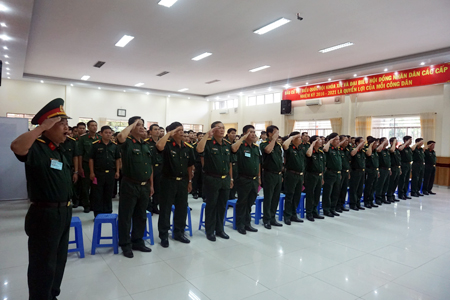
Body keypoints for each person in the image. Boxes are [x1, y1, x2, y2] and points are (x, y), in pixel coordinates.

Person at [11, 98, 72, 299]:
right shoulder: (37, 147)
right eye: (62, 124)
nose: (67, 128)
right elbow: (17, 147)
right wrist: (40, 128)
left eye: (66, 124)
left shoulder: (58, 150)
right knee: (42, 263)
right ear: (48, 125)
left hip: (63, 212)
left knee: (59, 259)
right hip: (44, 215)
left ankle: (52, 294)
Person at [116, 116, 154, 258]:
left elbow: (149, 167)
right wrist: (132, 125)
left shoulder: (145, 145)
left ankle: (138, 241)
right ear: (132, 127)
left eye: (143, 125)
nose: (142, 127)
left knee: (141, 215)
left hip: (144, 186)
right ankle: (125, 244)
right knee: (126, 216)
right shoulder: (128, 143)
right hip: (130, 184)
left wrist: (151, 185)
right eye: (138, 125)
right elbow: (120, 136)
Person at [156, 122, 195, 248]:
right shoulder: (166, 145)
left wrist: (189, 181)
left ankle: (179, 232)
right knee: (165, 209)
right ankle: (163, 235)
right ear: (172, 132)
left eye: (183, 130)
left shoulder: (187, 147)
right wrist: (169, 134)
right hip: (168, 181)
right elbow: (159, 146)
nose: (182, 132)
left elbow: (190, 166)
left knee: (181, 208)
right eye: (178, 130)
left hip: (183, 181)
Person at [196, 121, 233, 241]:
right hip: (212, 178)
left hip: (225, 179)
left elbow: (229, 163)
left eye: (223, 128)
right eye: (219, 128)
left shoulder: (227, 144)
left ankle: (220, 229)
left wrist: (231, 178)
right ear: (213, 130)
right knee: (211, 205)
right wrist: (207, 135)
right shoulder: (207, 143)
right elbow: (199, 150)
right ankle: (210, 230)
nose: (222, 130)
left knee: (222, 205)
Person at [231, 125, 260, 234]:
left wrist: (259, 178)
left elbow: (258, 163)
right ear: (244, 134)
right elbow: (233, 149)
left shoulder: (256, 147)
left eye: (254, 132)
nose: (253, 134)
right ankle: (240, 224)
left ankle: (247, 223)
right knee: (242, 202)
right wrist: (242, 138)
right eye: (250, 132)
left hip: (254, 180)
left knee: (250, 203)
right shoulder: (241, 146)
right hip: (243, 179)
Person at [89, 126, 121, 217]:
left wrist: (117, 171)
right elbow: (91, 159)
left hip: (111, 172)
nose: (108, 134)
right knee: (98, 193)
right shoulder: (95, 145)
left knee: (108, 193)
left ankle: (108, 212)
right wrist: (91, 172)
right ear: (101, 134)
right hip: (98, 173)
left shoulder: (114, 146)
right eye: (106, 132)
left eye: (110, 133)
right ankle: (98, 213)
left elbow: (117, 159)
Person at [260, 125, 283, 229]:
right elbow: (268, 151)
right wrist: (273, 140)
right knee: (268, 198)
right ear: (269, 133)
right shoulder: (264, 144)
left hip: (278, 175)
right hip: (269, 174)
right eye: (275, 132)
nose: (277, 135)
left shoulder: (278, 146)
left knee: (275, 197)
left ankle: (273, 218)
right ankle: (266, 219)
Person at [77, 120, 100, 212]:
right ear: (88, 127)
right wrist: (80, 167)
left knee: (96, 187)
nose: (94, 127)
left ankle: (93, 204)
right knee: (85, 186)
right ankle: (86, 205)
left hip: (97, 166)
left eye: (95, 125)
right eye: (92, 125)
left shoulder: (100, 138)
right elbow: (80, 154)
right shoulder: (83, 138)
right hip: (86, 165)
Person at [282, 131, 305, 224]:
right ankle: (287, 215)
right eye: (299, 137)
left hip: (299, 175)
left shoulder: (301, 149)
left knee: (297, 195)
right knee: (289, 195)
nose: (301, 139)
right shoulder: (289, 148)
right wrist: (291, 137)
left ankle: (294, 214)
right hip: (291, 174)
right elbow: (284, 145)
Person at [305, 135, 325, 221]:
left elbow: (323, 166)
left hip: (319, 176)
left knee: (317, 195)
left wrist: (322, 177)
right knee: (310, 195)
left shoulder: (320, 152)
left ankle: (315, 211)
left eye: (321, 140)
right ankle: (309, 213)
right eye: (318, 140)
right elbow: (308, 154)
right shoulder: (310, 151)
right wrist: (312, 144)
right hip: (311, 175)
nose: (321, 141)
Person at [322, 133, 342, 217]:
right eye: (337, 139)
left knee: (335, 192)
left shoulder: (337, 149)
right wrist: (330, 141)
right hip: (330, 173)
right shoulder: (329, 149)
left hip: (337, 173)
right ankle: (326, 209)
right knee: (328, 192)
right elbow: (325, 149)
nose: (338, 141)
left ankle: (332, 208)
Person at [145, 124, 164, 214]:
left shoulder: (163, 142)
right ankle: (148, 207)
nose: (157, 131)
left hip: (160, 168)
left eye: (159, 129)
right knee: (149, 188)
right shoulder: (146, 142)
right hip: (150, 167)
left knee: (158, 189)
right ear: (150, 131)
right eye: (155, 129)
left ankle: (155, 205)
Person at [61, 131, 80, 208]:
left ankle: (74, 201)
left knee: (72, 186)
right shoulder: (55, 142)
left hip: (69, 168)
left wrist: (76, 171)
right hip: (58, 168)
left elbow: (75, 157)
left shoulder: (72, 142)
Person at [349, 137, 366, 211]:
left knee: (360, 189)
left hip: (362, 172)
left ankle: (358, 203)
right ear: (357, 143)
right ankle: (353, 204)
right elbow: (352, 154)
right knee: (354, 189)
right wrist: (358, 147)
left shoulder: (362, 151)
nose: (363, 144)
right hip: (355, 171)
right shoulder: (354, 149)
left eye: (364, 142)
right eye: (361, 142)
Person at [374, 137, 393, 205]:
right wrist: (382, 143)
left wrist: (390, 169)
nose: (387, 143)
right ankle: (378, 198)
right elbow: (378, 150)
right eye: (386, 141)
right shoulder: (379, 149)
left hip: (387, 169)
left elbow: (389, 161)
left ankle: (383, 197)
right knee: (380, 185)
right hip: (382, 169)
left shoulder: (386, 150)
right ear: (381, 142)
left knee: (386, 185)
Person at [363, 137, 380, 208]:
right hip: (369, 171)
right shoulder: (367, 149)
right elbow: (369, 154)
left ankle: (371, 200)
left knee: (373, 187)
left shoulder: (375, 151)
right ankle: (366, 201)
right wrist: (370, 145)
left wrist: (378, 171)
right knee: (368, 187)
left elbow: (377, 162)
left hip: (375, 170)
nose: (376, 145)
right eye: (375, 143)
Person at [337, 135, 351, 212]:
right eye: (344, 140)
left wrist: (348, 172)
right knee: (338, 189)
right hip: (340, 172)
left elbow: (348, 162)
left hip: (346, 171)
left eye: (347, 140)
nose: (346, 142)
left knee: (344, 189)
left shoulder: (347, 150)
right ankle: (337, 205)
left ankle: (342, 204)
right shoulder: (338, 149)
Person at [387, 137, 402, 202]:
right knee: (391, 183)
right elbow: (392, 150)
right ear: (391, 143)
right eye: (395, 141)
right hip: (393, 168)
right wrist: (393, 144)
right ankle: (389, 196)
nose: (396, 142)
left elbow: (399, 160)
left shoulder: (397, 150)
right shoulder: (390, 149)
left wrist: (400, 169)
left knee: (396, 183)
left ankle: (392, 195)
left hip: (397, 168)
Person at [225, 128, 238, 200]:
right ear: (228, 134)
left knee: (235, 182)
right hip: (228, 164)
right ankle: (227, 198)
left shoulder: (236, 143)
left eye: (234, 133)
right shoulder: (225, 143)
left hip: (235, 164)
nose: (234, 135)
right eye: (232, 133)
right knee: (229, 182)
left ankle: (232, 197)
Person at [192, 132, 204, 200]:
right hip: (196, 163)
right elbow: (193, 156)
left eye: (203, 136)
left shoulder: (205, 145)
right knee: (195, 179)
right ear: (197, 137)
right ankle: (194, 192)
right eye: (200, 136)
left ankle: (201, 192)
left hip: (203, 164)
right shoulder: (194, 145)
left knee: (202, 179)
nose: (201, 137)